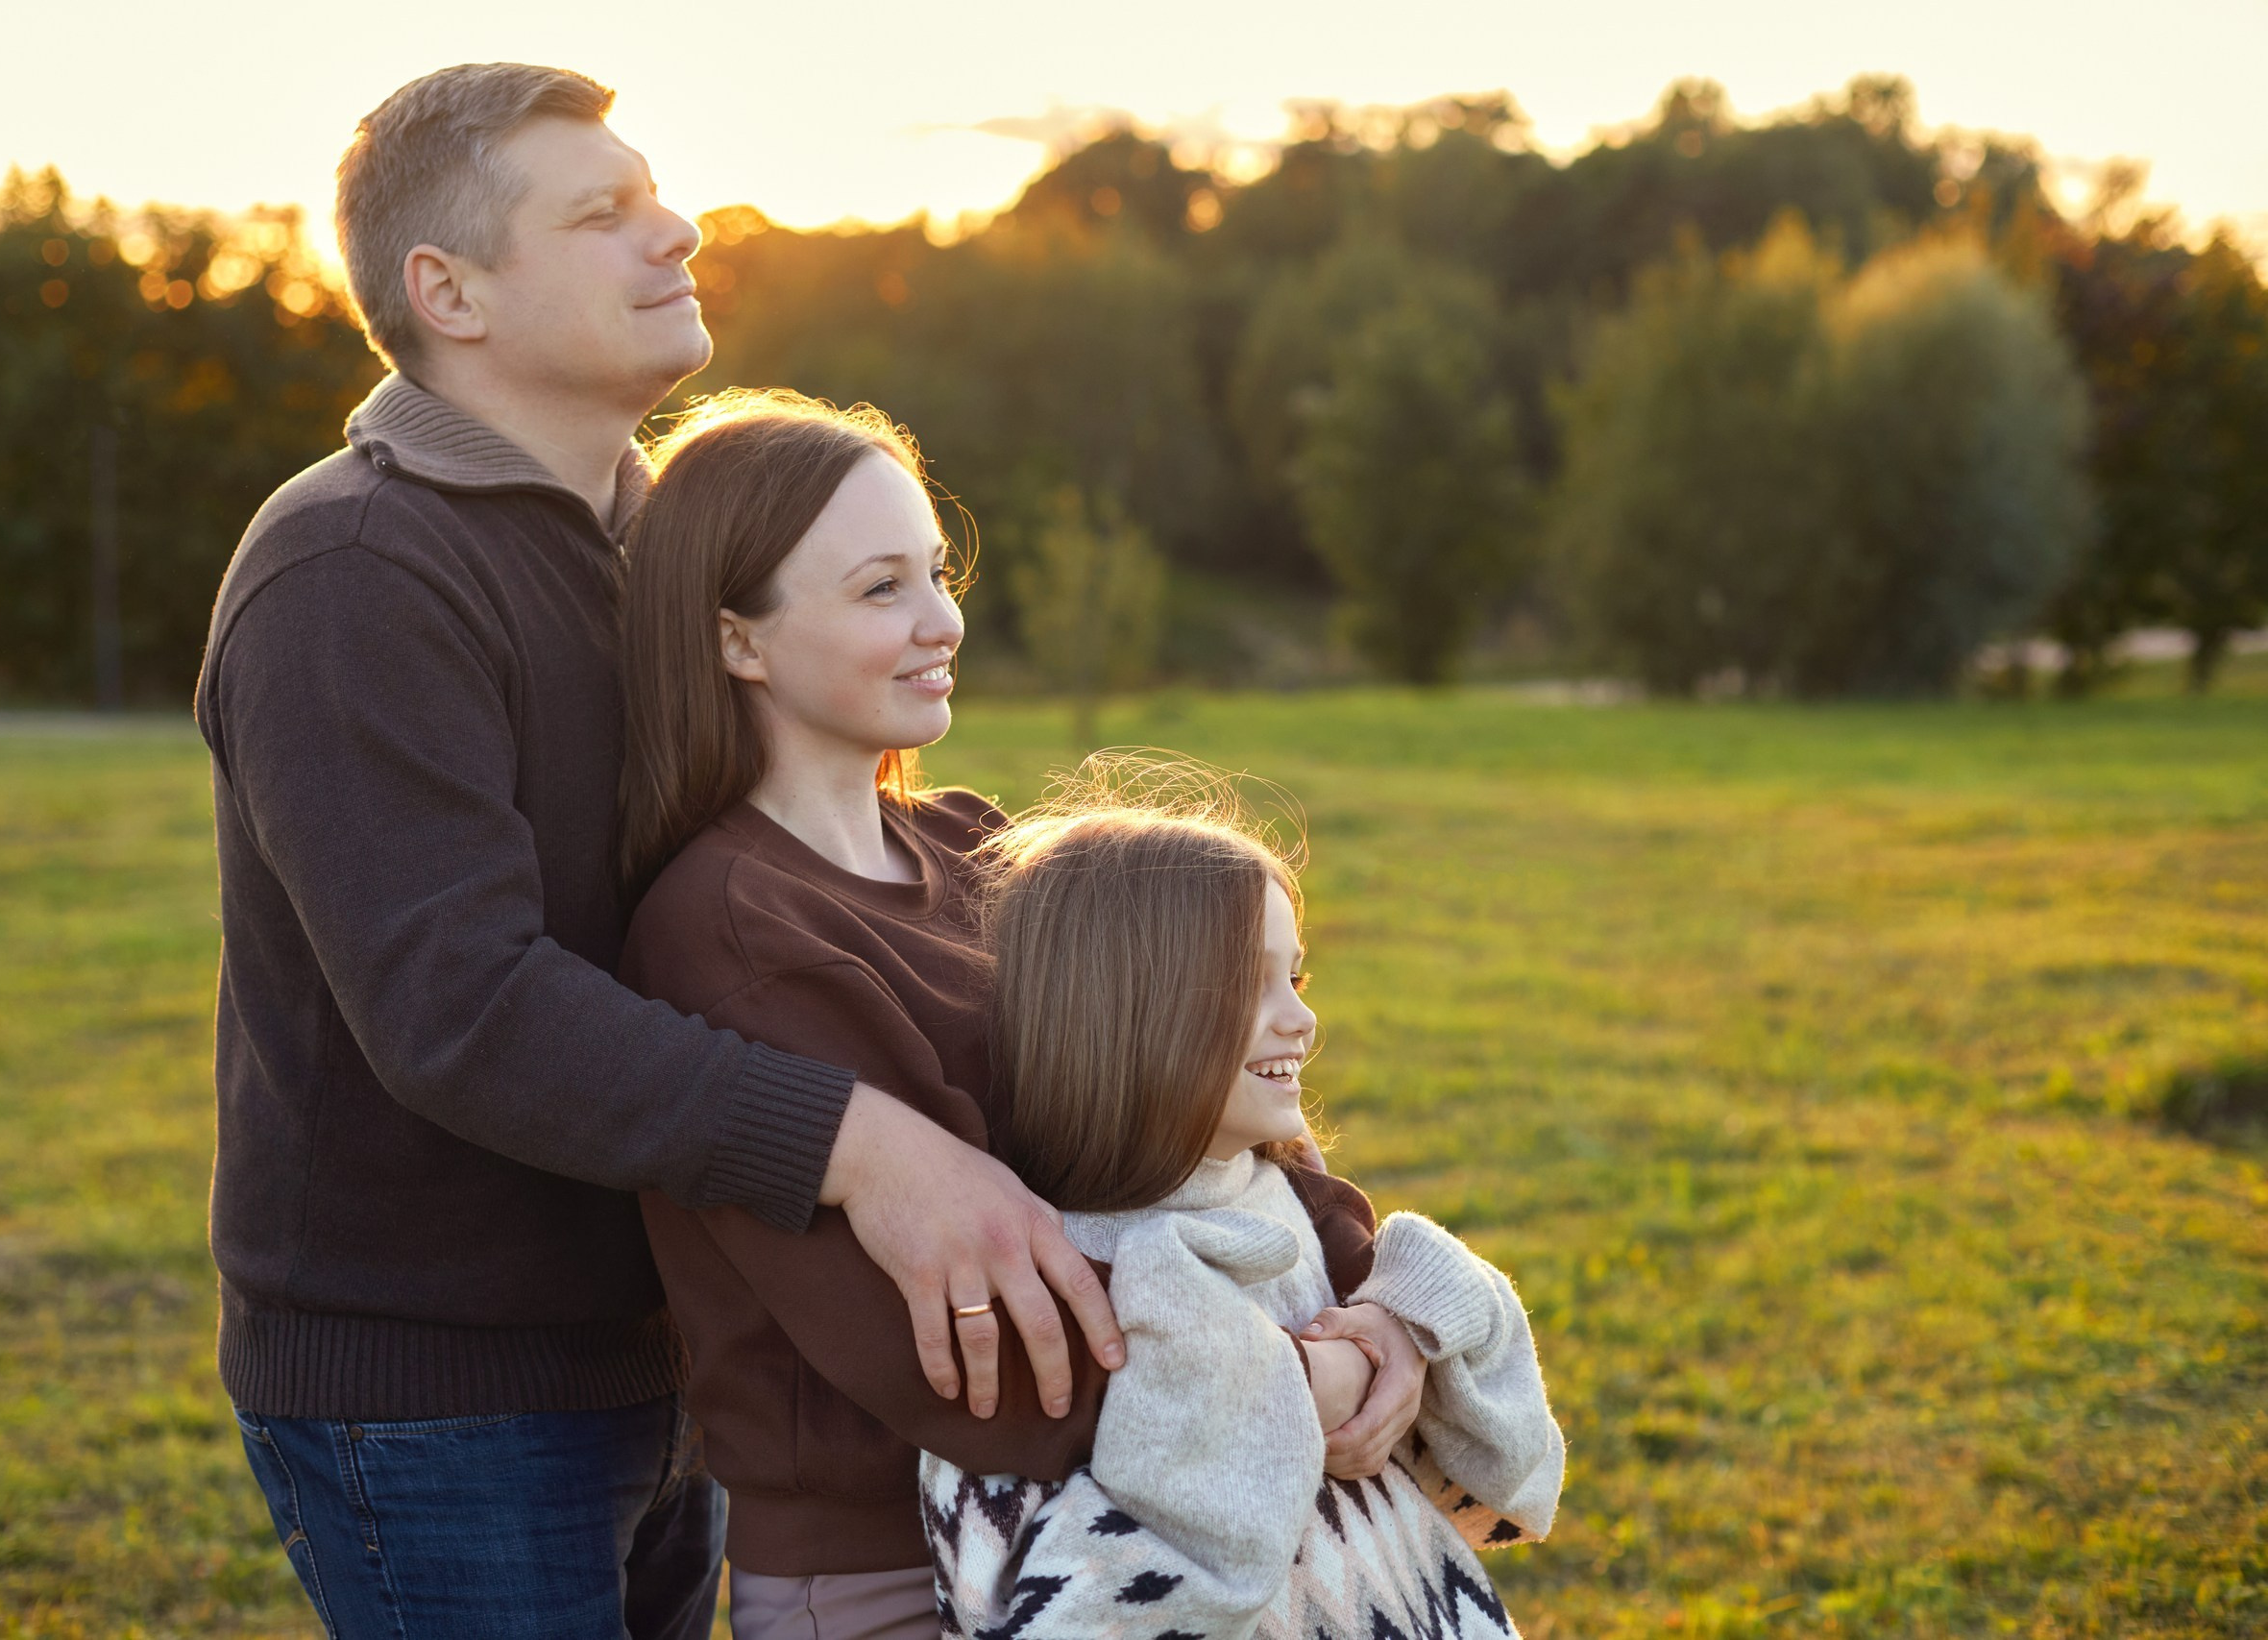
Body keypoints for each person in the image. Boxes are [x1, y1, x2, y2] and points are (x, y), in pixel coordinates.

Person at [194, 64, 1117, 1640]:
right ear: (450, 291)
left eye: (659, 193)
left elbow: (796, 863)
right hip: (445, 1389)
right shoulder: (353, 569)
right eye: (604, 213)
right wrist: (874, 1149)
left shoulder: (657, 543)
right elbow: (465, 1010)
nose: (678, 232)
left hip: (679, 1338)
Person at [614, 392, 1437, 1640]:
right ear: (740, 640)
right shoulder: (727, 931)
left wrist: (1377, 1308)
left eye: (936, 574)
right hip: (916, 1570)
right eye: (880, 587)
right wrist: (1299, 1377)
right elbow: (955, 1355)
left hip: (1170, 1522)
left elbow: (1211, 1139)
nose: (942, 619)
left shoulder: (975, 844)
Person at [921, 780, 1566, 1640]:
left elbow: (1500, 1462)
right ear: (1128, 1011)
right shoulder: (1044, 1274)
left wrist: (1420, 1313)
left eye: (1294, 976)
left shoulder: (1289, 1194)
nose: (1301, 1019)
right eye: (1249, 985)